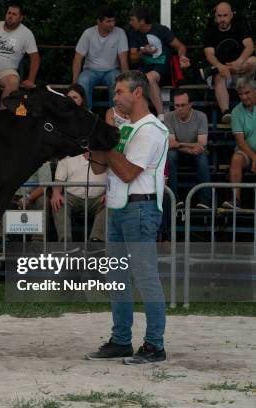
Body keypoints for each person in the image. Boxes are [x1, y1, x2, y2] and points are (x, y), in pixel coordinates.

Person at [87, 70, 169, 364]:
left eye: (120, 91)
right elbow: (99, 168)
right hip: (120, 208)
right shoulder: (126, 129)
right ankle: (121, 340)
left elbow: (126, 172)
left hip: (140, 209)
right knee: (118, 278)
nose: (115, 97)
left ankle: (154, 345)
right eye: (114, 92)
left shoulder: (150, 129)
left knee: (146, 277)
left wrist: (106, 145)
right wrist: (97, 144)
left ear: (138, 93)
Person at [128, 6, 190, 119]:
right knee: (132, 80)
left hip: (163, 67)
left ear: (141, 21)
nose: (130, 22)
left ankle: (161, 116)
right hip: (144, 67)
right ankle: (136, 116)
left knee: (149, 77)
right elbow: (132, 58)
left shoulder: (161, 30)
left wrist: (182, 57)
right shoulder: (133, 33)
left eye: (132, 20)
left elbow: (180, 46)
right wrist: (143, 52)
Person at [201, 2, 256, 125]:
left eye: (225, 15)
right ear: (215, 16)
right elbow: (209, 54)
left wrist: (239, 62)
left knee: (253, 61)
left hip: (241, 72)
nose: (222, 19)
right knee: (219, 75)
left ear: (231, 15)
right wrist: (220, 66)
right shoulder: (210, 30)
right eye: (219, 16)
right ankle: (226, 112)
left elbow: (250, 46)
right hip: (221, 74)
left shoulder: (240, 25)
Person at [73, 5, 129, 110]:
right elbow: (78, 58)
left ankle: (115, 117)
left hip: (112, 70)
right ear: (99, 21)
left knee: (118, 82)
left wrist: (126, 80)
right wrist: (74, 82)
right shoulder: (88, 33)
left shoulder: (120, 33)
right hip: (90, 71)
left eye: (113, 21)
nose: (112, 24)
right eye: (108, 21)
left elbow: (123, 59)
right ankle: (86, 116)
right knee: (82, 82)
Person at [164, 90, 211, 208]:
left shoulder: (200, 116)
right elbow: (170, 144)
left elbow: (202, 144)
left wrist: (181, 145)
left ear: (190, 104)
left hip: (195, 153)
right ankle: (174, 198)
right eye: (177, 105)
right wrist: (190, 148)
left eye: (183, 105)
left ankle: (205, 200)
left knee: (202, 156)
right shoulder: (169, 117)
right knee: (170, 155)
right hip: (178, 153)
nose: (179, 108)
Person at [51, 153, 107, 243]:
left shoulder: (106, 155)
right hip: (72, 197)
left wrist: (109, 193)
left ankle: (97, 241)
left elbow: (115, 179)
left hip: (98, 198)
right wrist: (56, 192)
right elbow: (58, 181)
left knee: (111, 203)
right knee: (58, 202)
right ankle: (65, 241)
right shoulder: (67, 156)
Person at [224, 77, 256, 209]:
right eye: (241, 94)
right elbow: (240, 142)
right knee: (236, 159)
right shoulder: (236, 111)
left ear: (255, 91)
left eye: (247, 93)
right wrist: (254, 158)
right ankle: (235, 200)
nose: (244, 97)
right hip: (246, 152)